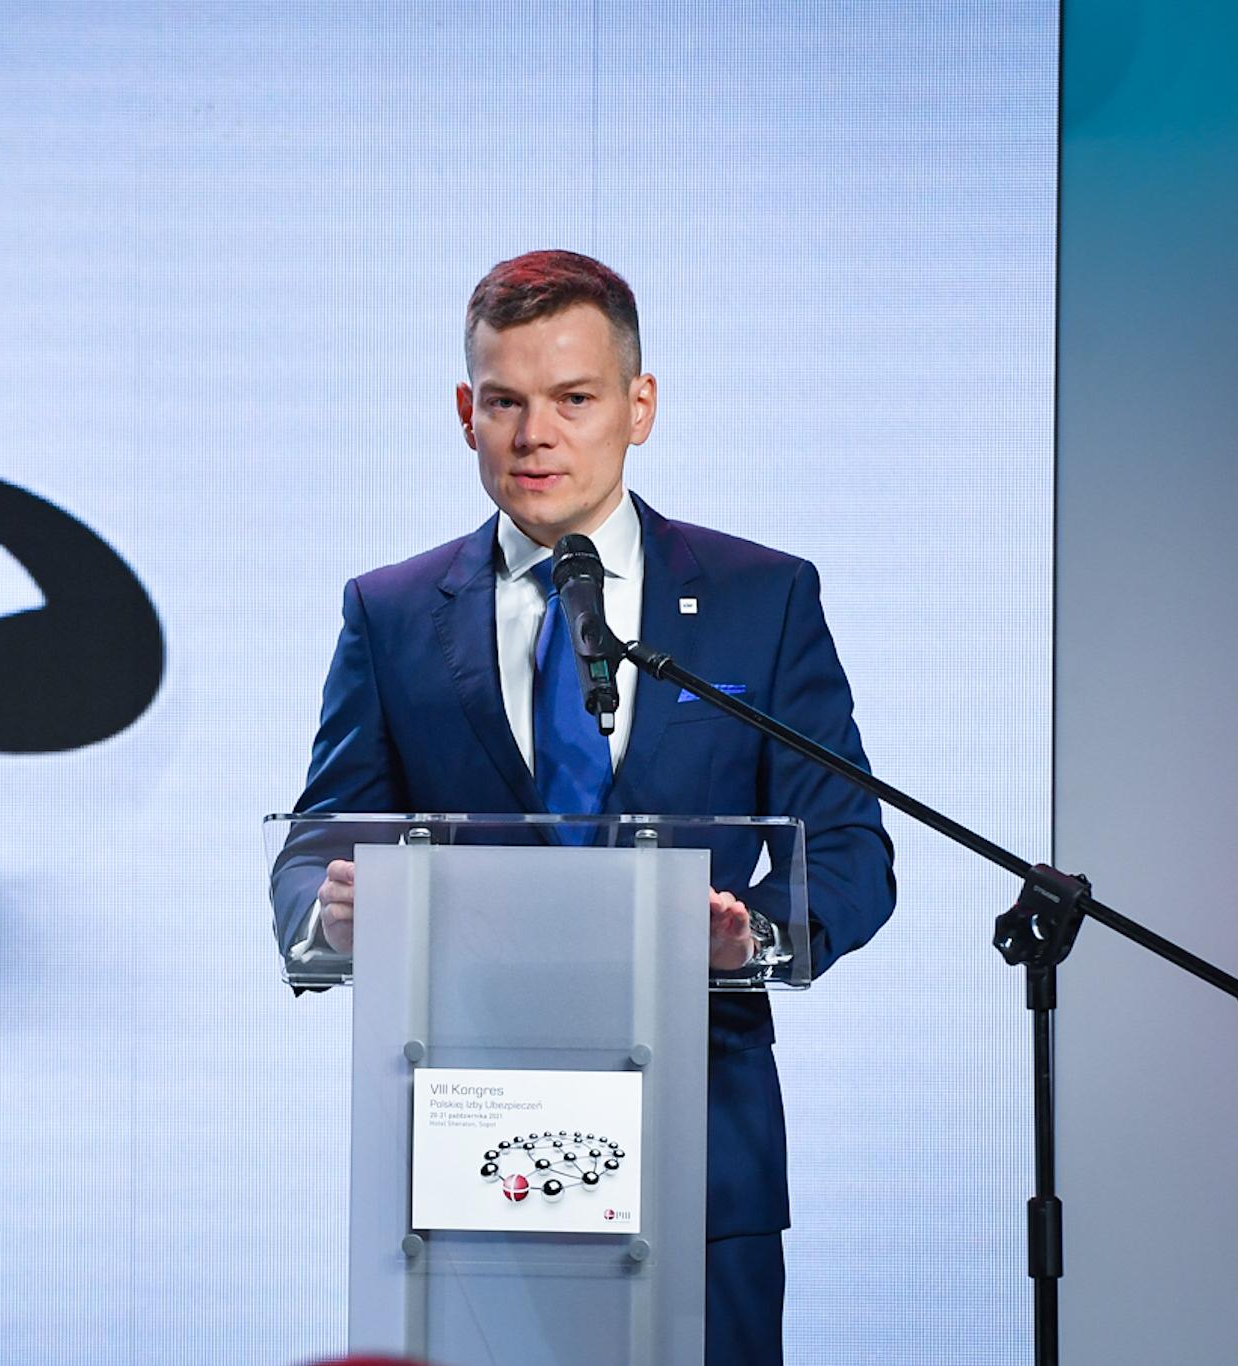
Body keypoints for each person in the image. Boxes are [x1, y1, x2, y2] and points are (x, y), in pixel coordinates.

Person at [273, 250, 895, 1366]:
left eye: (572, 398)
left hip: (703, 1144)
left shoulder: (760, 597)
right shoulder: (392, 612)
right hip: (469, 1156)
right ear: (464, 413)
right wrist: (332, 913)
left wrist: (751, 936)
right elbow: (315, 843)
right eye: (502, 402)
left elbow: (848, 845)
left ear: (638, 406)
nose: (534, 436)